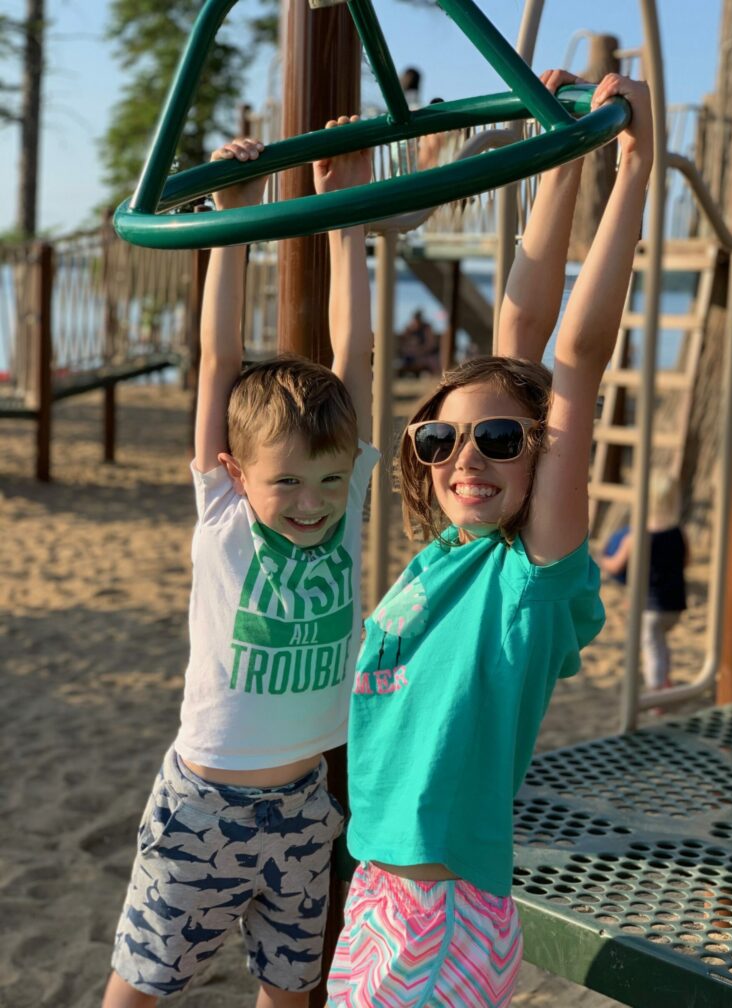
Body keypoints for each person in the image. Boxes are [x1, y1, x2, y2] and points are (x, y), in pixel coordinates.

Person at [326, 70, 653, 1007]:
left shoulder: (526, 577)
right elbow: (517, 328)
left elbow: (571, 364)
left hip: (442, 912)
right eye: (441, 438)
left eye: (501, 439)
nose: (467, 456)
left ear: (537, 456)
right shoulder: (441, 561)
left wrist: (630, 166)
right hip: (380, 887)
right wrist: (561, 157)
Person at [102, 122, 378, 1008]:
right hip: (203, 804)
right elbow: (219, 362)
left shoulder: (346, 503)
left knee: (293, 989)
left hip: (302, 806)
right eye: (287, 480)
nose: (311, 500)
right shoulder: (223, 513)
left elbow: (353, 359)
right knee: (142, 987)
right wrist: (236, 219)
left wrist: (348, 219)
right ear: (233, 472)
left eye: (330, 479)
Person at [600, 471, 690, 691]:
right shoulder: (680, 533)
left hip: (650, 607)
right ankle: (666, 679)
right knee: (660, 643)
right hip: (675, 605)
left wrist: (603, 558)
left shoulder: (635, 537)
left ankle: (657, 687)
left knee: (651, 647)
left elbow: (616, 565)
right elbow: (686, 562)